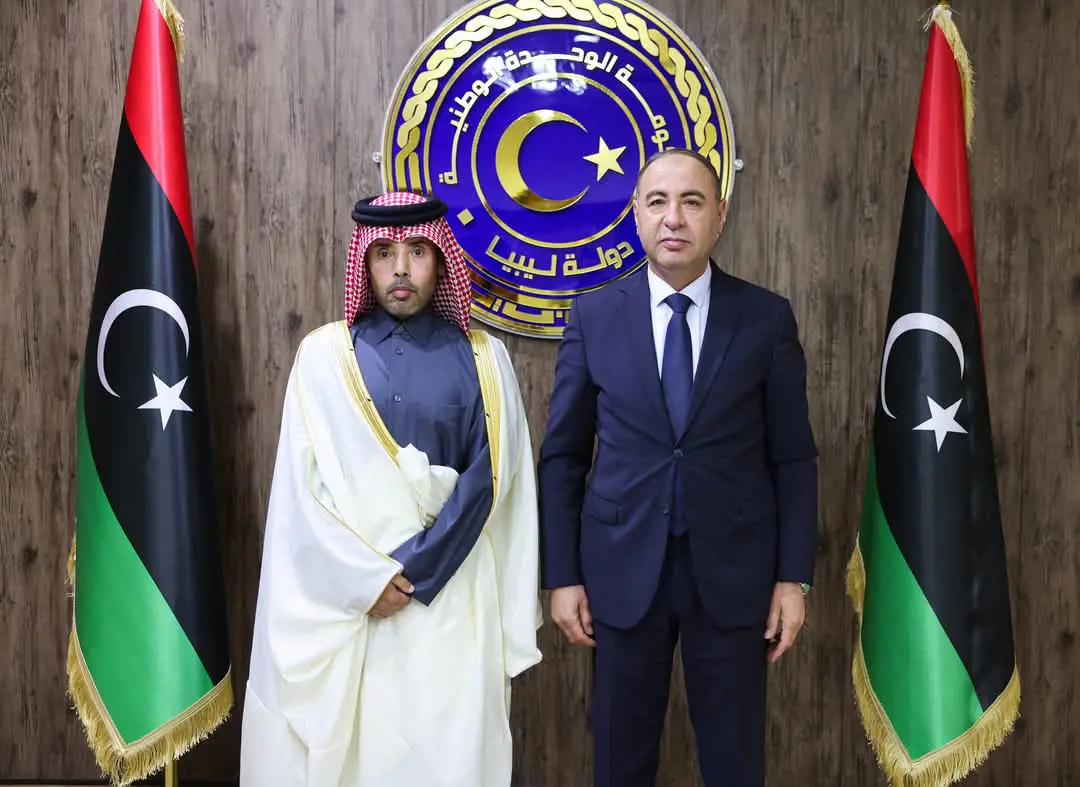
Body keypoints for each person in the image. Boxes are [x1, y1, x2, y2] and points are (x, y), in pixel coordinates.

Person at [239, 191, 542, 787]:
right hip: (349, 607)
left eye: (417, 252)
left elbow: (491, 479)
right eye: (383, 253)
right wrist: (365, 581)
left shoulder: (485, 358)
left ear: (441, 260)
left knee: (448, 758)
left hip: (453, 603)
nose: (401, 269)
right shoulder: (323, 357)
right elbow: (302, 495)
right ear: (365, 263)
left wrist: (413, 573)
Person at [538, 148, 819, 787]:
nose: (674, 218)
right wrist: (562, 576)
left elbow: (794, 459)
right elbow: (563, 457)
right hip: (619, 572)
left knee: (734, 763)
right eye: (658, 202)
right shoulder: (593, 315)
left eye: (692, 202)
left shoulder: (765, 318)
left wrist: (792, 580)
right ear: (636, 215)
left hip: (735, 574)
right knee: (620, 762)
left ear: (720, 216)